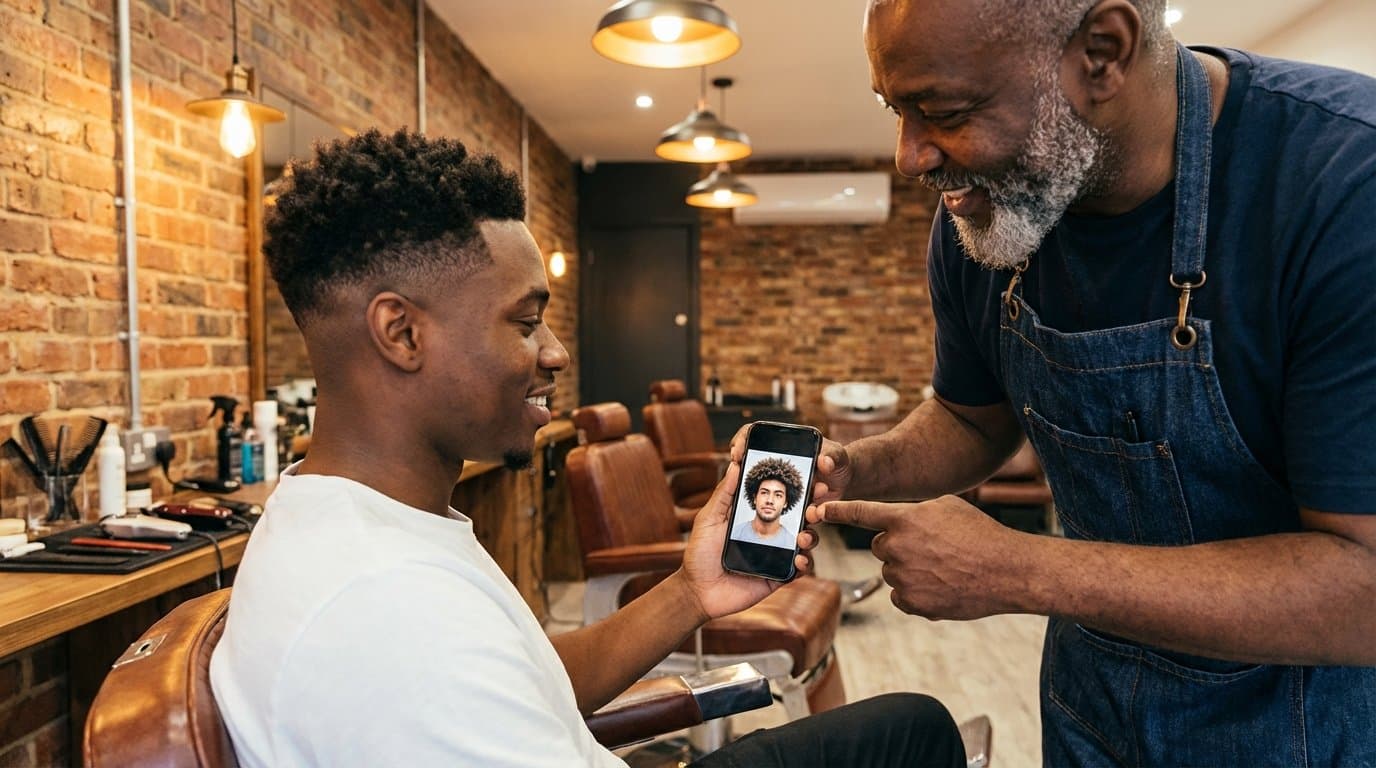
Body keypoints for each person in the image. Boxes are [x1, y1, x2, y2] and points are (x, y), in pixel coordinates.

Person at [209, 128, 967, 767]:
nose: (555, 352)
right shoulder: (389, 610)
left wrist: (692, 592)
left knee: (910, 727)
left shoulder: (359, 518)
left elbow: (529, 682)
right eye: (524, 320)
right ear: (402, 333)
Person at [777, 0, 1376, 764]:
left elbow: (1365, 586)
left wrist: (1021, 568)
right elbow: (972, 420)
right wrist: (855, 465)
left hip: (1306, 727)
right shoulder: (987, 219)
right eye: (897, 110)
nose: (910, 156)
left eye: (946, 111)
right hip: (1089, 705)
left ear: (1103, 50)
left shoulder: (1342, 188)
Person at [731, 457, 805, 547]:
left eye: (778, 495)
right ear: (755, 498)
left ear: (786, 502)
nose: (770, 501)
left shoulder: (791, 544)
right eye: (764, 493)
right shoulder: (735, 533)